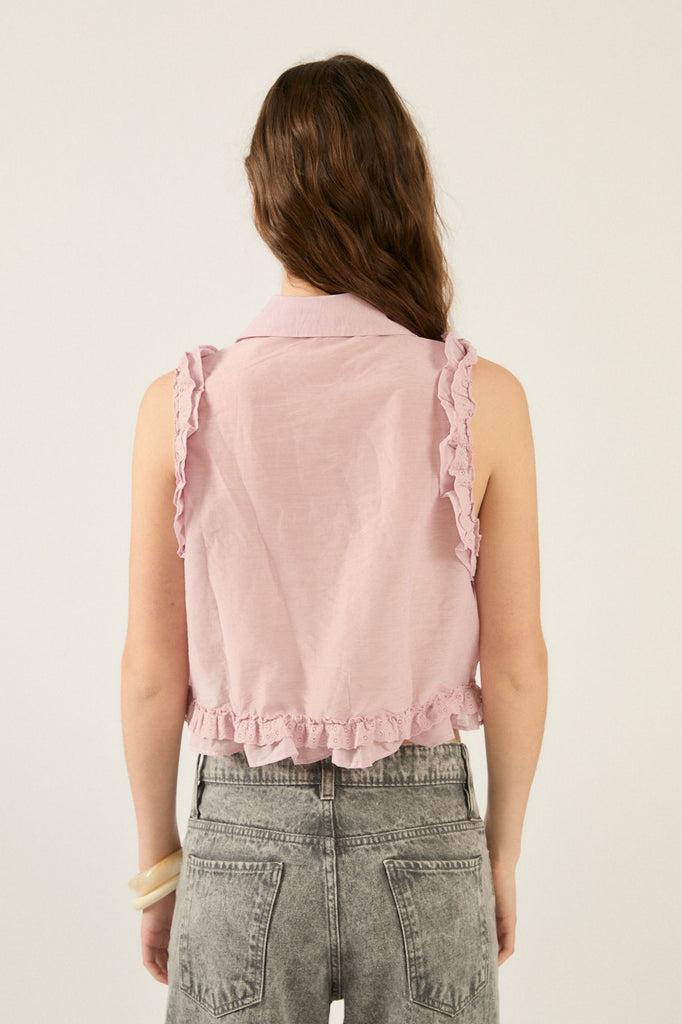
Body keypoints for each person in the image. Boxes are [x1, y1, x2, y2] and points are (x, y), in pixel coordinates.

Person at [121, 53, 548, 1024]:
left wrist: (160, 867)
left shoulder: (179, 407)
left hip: (241, 835)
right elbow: (516, 666)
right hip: (426, 838)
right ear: (404, 188)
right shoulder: (482, 398)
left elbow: (152, 673)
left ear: (262, 199)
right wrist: (499, 852)